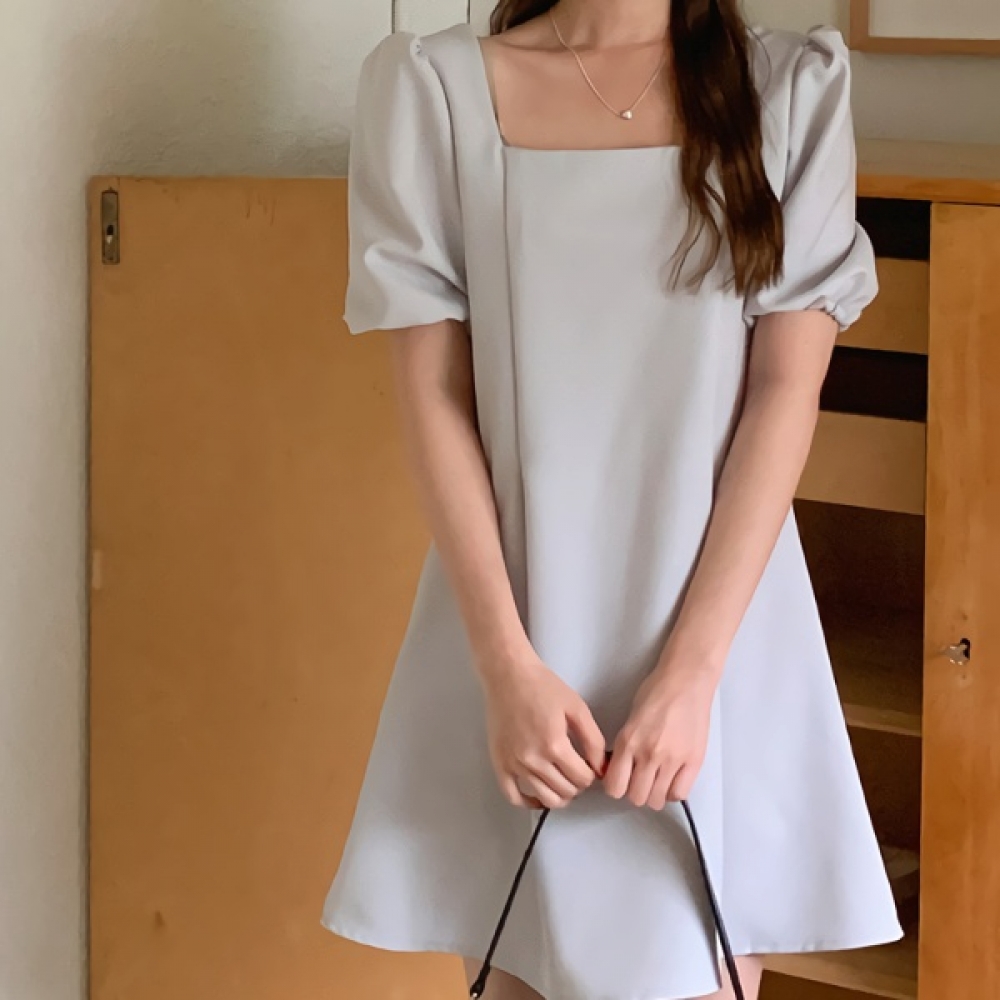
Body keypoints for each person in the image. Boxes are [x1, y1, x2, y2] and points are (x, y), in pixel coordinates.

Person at [322, 2, 903, 998]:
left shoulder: (788, 92)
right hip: (516, 634)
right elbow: (433, 397)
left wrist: (694, 675)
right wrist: (505, 665)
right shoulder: (433, 92)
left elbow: (784, 392)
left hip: (719, 639)